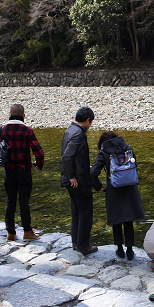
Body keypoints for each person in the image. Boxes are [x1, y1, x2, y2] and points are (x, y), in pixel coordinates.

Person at [90, 131, 145, 260]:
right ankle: (130, 250)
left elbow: (93, 173)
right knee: (128, 220)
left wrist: (98, 186)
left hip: (114, 189)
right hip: (130, 188)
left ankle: (120, 249)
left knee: (117, 220)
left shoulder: (104, 152)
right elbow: (135, 165)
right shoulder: (128, 148)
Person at [0, 104, 44, 242]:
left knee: (10, 201)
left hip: (8, 171)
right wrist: (39, 165)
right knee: (24, 202)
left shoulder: (2, 130)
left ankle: (10, 233)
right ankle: (27, 232)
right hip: (24, 171)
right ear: (23, 116)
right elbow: (38, 151)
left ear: (10, 114)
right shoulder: (27, 131)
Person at [61, 106, 97, 255]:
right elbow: (67, 157)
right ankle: (83, 244)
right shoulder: (78, 135)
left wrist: (83, 165)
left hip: (74, 177)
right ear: (87, 120)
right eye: (91, 122)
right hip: (78, 181)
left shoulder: (70, 130)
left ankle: (76, 242)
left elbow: (72, 156)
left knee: (76, 211)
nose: (90, 126)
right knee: (86, 212)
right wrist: (71, 176)